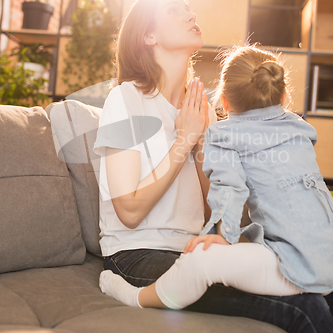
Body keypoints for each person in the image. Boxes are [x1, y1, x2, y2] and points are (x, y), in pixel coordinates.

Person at [94, 0, 333, 333]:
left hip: (194, 250)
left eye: (188, 7)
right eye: (174, 10)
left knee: (323, 286)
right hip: (138, 254)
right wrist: (184, 140)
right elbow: (129, 210)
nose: (190, 14)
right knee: (304, 307)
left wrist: (203, 141)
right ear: (148, 36)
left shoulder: (202, 107)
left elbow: (212, 210)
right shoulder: (125, 100)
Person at [101, 45, 333, 311]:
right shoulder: (301, 129)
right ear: (282, 97)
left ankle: (135, 298)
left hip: (292, 258)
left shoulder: (223, 134)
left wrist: (221, 236)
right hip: (327, 254)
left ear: (223, 101)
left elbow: (228, 190)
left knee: (202, 260)